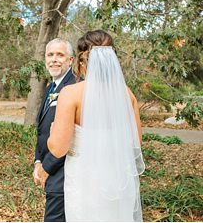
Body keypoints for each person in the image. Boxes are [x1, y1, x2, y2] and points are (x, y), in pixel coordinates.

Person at [47, 30, 144, 222]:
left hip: (84, 179)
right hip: (118, 179)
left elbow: (58, 149)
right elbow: (136, 142)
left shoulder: (71, 94)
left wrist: (52, 133)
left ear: (82, 62)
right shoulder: (126, 94)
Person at [33, 38, 78, 221]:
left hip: (65, 172)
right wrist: (37, 160)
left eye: (60, 55)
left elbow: (69, 136)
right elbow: (43, 129)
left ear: (71, 60)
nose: (54, 59)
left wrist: (46, 167)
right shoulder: (51, 87)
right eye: (50, 55)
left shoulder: (74, 87)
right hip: (50, 167)